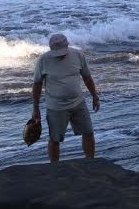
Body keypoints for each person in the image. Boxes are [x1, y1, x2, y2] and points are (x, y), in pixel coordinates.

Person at [31, 33, 100, 162]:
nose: (60, 55)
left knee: (88, 133)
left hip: (78, 103)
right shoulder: (43, 60)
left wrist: (95, 96)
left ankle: (90, 162)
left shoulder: (78, 55)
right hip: (56, 107)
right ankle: (54, 166)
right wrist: (36, 108)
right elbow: (37, 85)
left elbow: (87, 77)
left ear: (67, 46)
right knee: (55, 139)